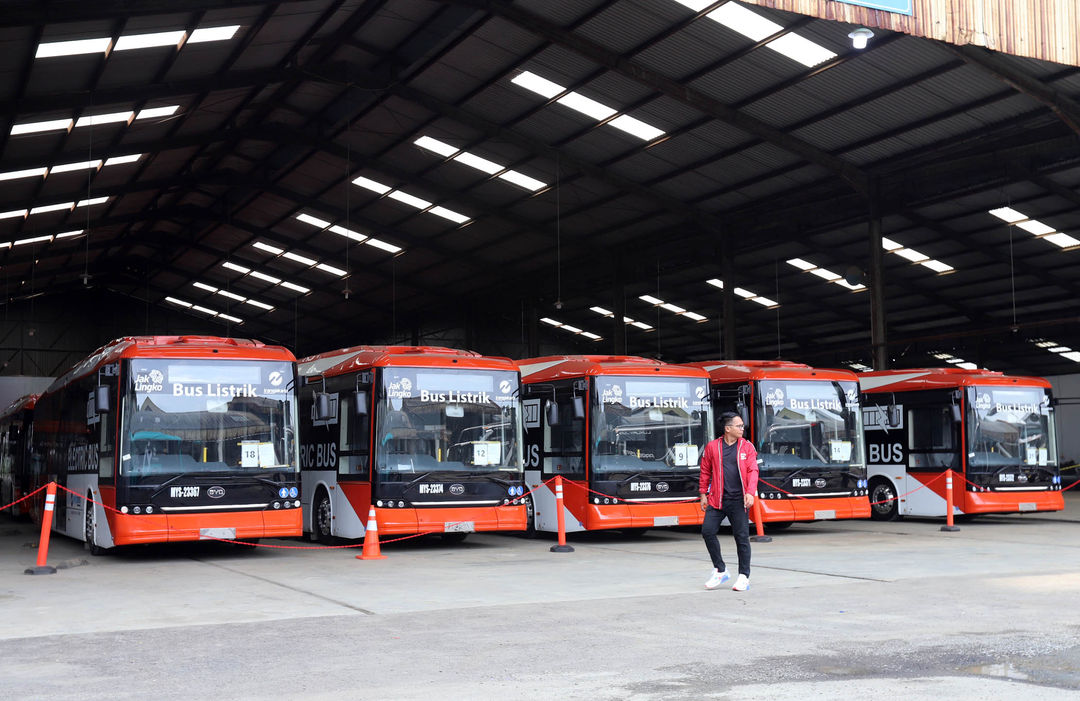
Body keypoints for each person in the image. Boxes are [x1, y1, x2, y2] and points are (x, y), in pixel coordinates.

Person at [699, 411, 759, 592]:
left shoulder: (747, 447)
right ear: (728, 428)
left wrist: (750, 493)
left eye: (742, 426)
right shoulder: (712, 447)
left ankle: (744, 576)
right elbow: (705, 471)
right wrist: (703, 494)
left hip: (739, 500)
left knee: (741, 537)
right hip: (717, 499)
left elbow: (753, 471)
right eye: (739, 426)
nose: (742, 428)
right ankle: (720, 570)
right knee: (707, 531)